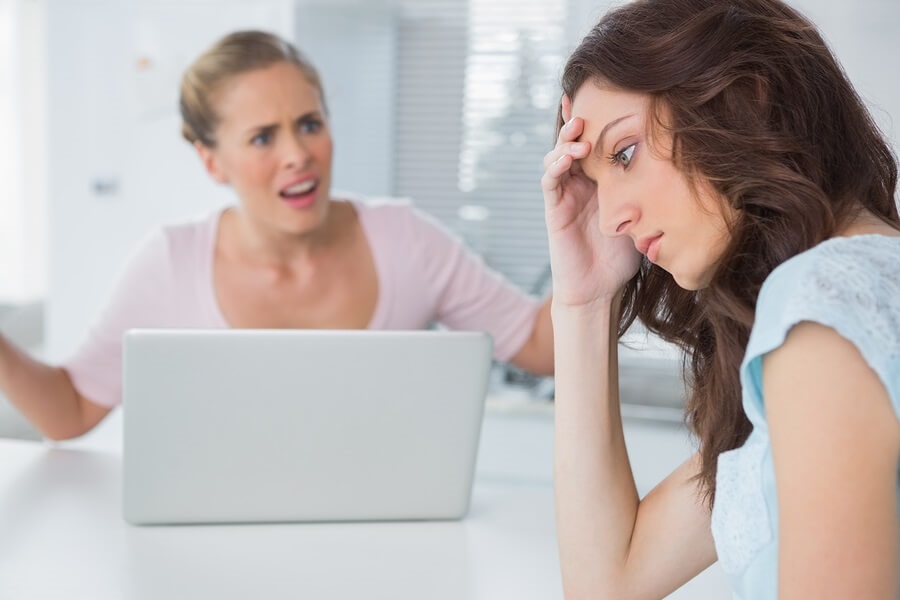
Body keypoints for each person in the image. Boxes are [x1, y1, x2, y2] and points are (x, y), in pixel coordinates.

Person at [0, 30, 553, 441]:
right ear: (213, 162)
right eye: (263, 138)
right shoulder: (173, 262)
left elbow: (535, 341)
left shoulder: (405, 240)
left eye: (309, 124)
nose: (298, 155)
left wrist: (600, 240)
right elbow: (70, 409)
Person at [542, 0, 899, 598]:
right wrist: (584, 302)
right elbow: (610, 579)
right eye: (597, 184)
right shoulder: (856, 289)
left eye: (624, 153)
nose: (609, 219)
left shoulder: (817, 308)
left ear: (745, 96)